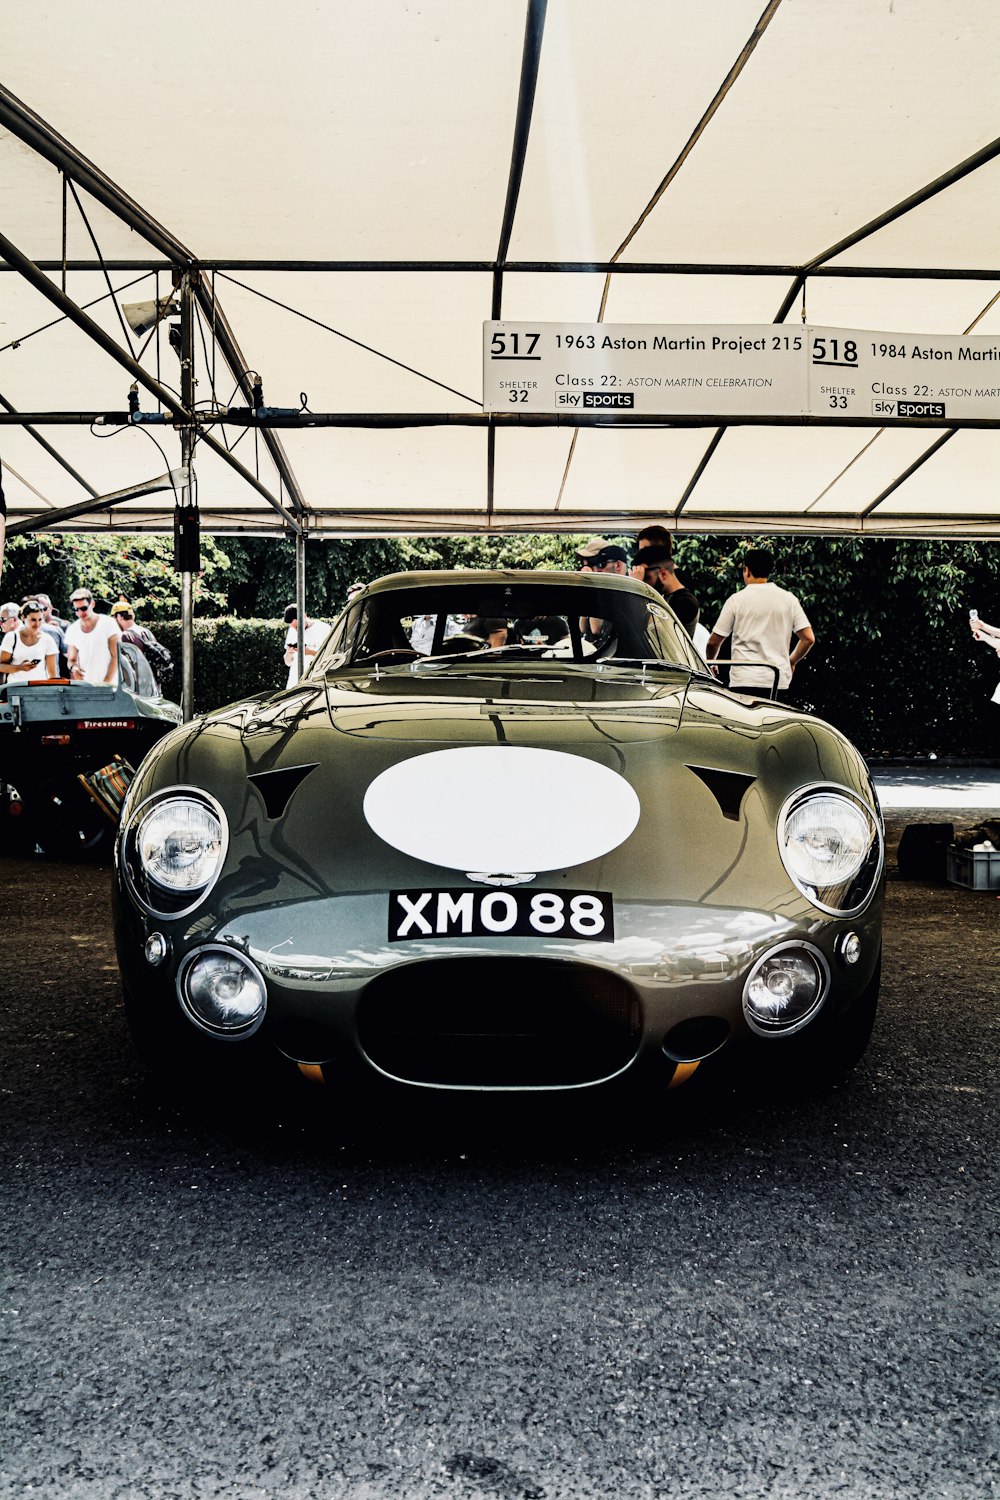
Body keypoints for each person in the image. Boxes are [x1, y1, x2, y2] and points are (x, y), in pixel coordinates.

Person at [706, 548, 814, 700]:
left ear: (747, 570)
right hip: (777, 681)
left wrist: (712, 662)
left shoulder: (737, 600)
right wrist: (791, 661)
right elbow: (808, 638)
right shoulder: (789, 599)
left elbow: (713, 643)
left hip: (744, 680)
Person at [635, 545, 701, 638]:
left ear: (663, 574)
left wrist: (637, 587)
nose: (645, 583)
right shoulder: (666, 597)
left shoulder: (685, 602)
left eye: (646, 578)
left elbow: (654, 632)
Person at [110, 599, 173, 693]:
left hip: (140, 692)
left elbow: (126, 669)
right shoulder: (147, 632)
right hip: (154, 688)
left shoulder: (125, 636)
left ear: (119, 617)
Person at [65, 588, 121, 686]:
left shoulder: (108, 623)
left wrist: (106, 683)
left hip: (111, 685)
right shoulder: (72, 629)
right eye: (76, 609)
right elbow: (71, 660)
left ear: (92, 604)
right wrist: (74, 668)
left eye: (83, 608)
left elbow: (116, 656)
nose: (80, 613)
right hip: (86, 687)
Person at [0, 599, 57, 682]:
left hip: (39, 689)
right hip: (16, 688)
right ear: (23, 617)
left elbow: (52, 674)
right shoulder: (12, 637)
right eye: (33, 620)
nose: (37, 624)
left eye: (40, 619)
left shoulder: (47, 640)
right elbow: (1, 666)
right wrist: (20, 668)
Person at [283, 605, 328, 688]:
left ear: (304, 616)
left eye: (297, 627)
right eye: (294, 628)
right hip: (294, 682)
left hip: (315, 682)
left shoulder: (324, 629)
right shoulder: (292, 631)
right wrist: (289, 653)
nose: (296, 631)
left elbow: (329, 657)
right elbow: (288, 662)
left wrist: (309, 652)